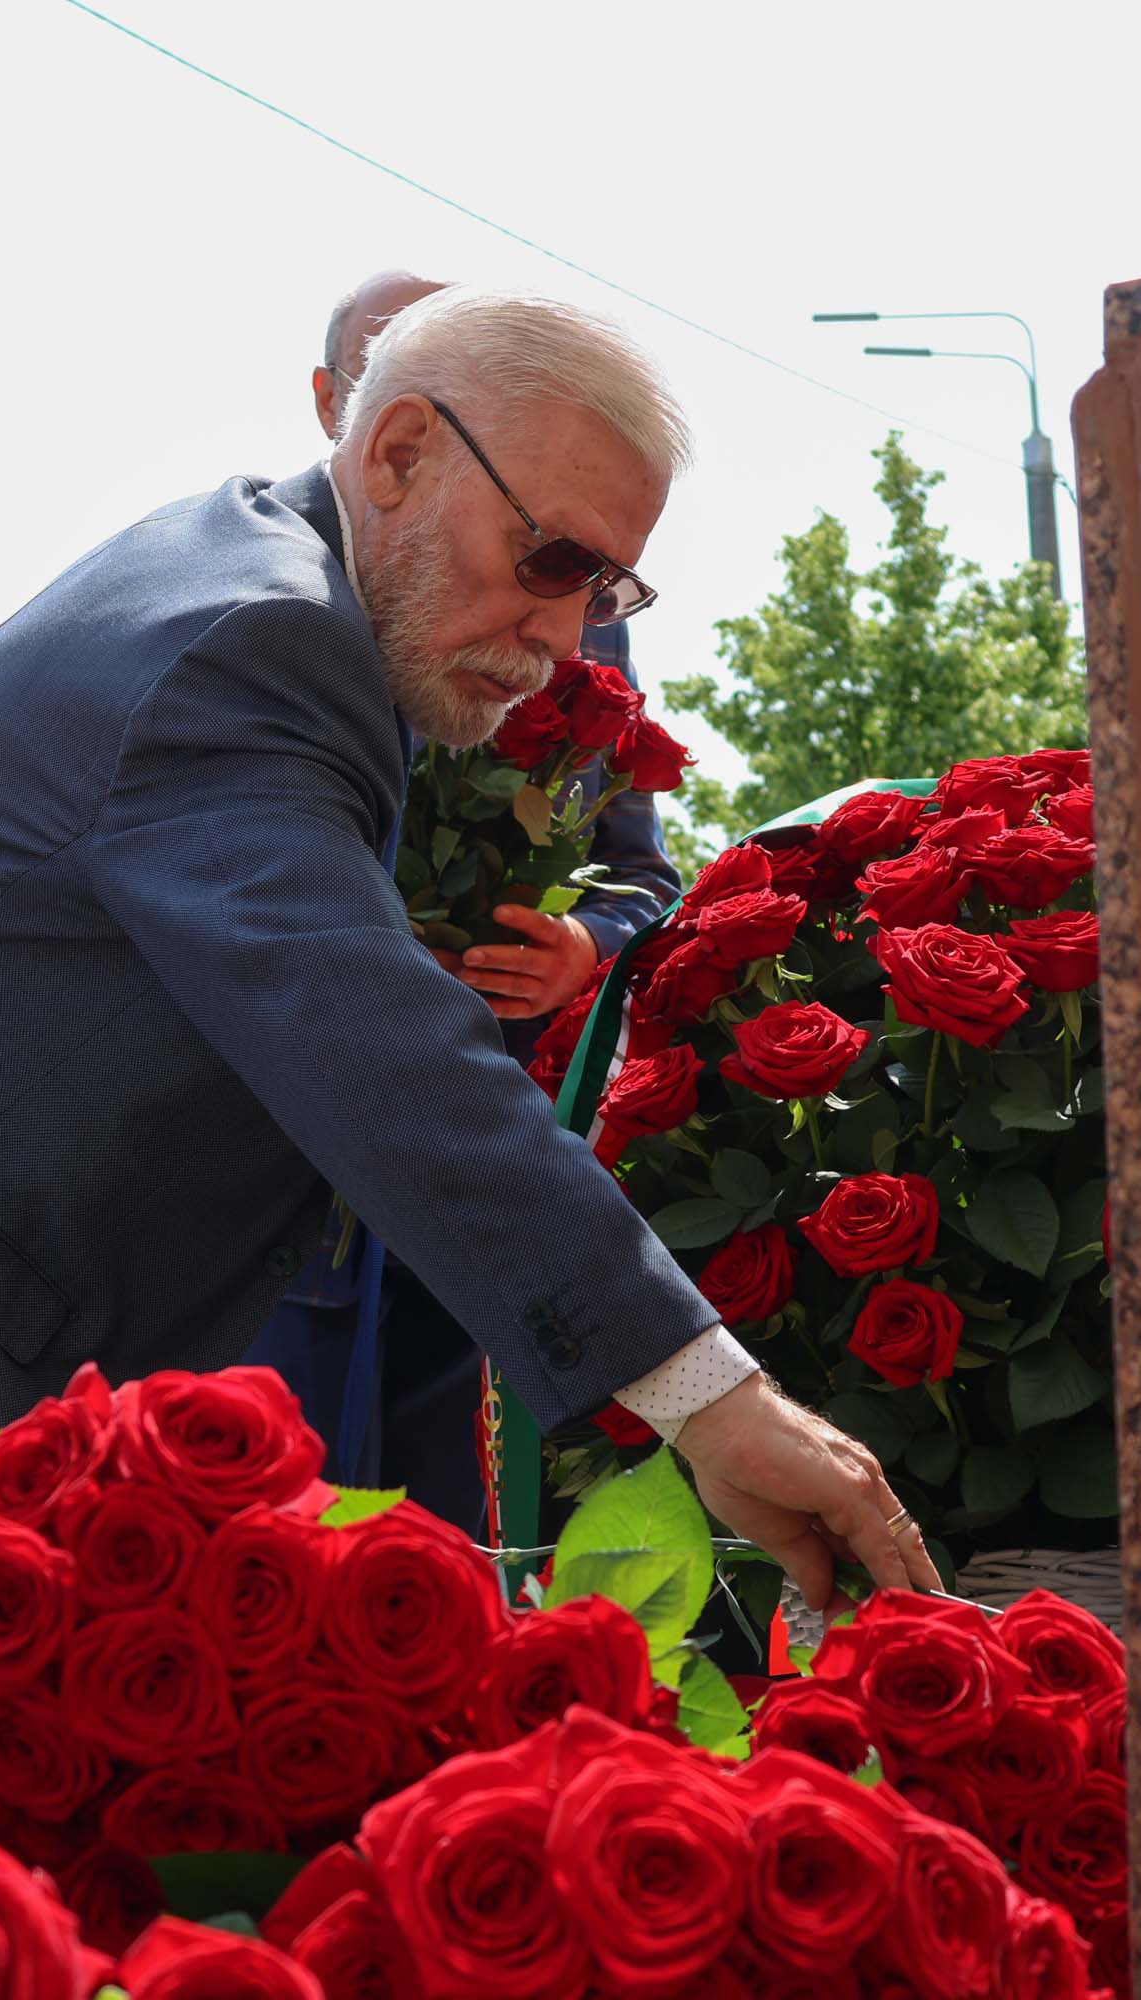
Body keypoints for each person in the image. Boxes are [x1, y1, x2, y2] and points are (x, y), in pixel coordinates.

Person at [0, 287, 945, 1800]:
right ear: (398, 451)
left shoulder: (290, 594)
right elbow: (373, 1043)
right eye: (551, 560)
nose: (563, 636)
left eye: (610, 588)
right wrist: (709, 1396)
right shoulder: (252, 635)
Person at [257, 271, 684, 1527]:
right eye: (395, 356)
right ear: (356, 413)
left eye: (584, 588)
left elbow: (646, 878)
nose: (552, 631)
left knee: (441, 1520)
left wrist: (580, 945)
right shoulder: (265, 613)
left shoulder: (572, 622)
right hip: (294, 1163)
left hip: (489, 1143)